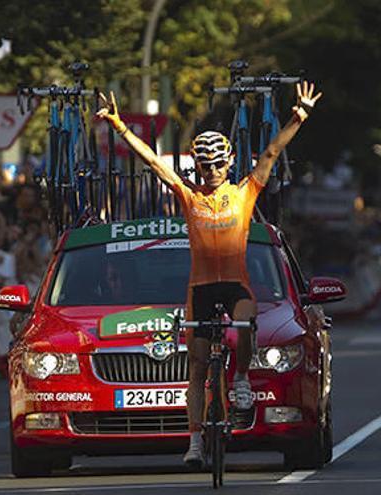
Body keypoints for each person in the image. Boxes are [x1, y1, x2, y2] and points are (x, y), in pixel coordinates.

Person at [96, 81, 322, 467]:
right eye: (206, 165)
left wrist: (298, 115)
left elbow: (271, 151)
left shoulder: (244, 193)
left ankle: (240, 379)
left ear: (229, 162)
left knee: (248, 323)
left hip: (235, 285)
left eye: (219, 164)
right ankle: (196, 441)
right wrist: (118, 125)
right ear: (197, 167)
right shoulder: (189, 196)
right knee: (198, 367)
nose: (214, 171)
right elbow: (152, 162)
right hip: (200, 288)